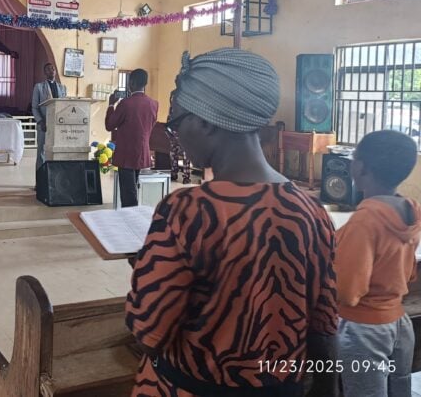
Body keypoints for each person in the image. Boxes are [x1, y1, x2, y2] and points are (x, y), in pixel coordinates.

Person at [126, 48, 338, 396]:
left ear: (207, 121)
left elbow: (149, 331)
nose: (175, 135)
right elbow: (324, 329)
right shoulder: (310, 210)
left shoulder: (187, 210)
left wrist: (146, 275)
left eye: (177, 122)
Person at [335, 130, 421, 397]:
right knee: (398, 390)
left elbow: (347, 292)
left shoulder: (364, 222)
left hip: (363, 330)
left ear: (359, 167)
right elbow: (407, 274)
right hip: (398, 323)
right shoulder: (410, 211)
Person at [104, 69, 158, 207]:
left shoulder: (125, 103)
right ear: (145, 83)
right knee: (133, 186)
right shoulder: (153, 104)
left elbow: (110, 125)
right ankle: (133, 213)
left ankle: (131, 218)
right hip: (142, 152)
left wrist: (111, 104)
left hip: (126, 153)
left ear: (131, 83)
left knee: (128, 193)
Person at [31, 63, 66, 182]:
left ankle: (53, 181)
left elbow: (64, 106)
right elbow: (34, 107)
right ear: (45, 73)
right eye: (48, 69)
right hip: (44, 125)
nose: (51, 70)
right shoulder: (39, 87)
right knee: (41, 153)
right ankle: (40, 182)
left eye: (53, 68)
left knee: (56, 152)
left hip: (58, 126)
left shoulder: (62, 88)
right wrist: (40, 121)